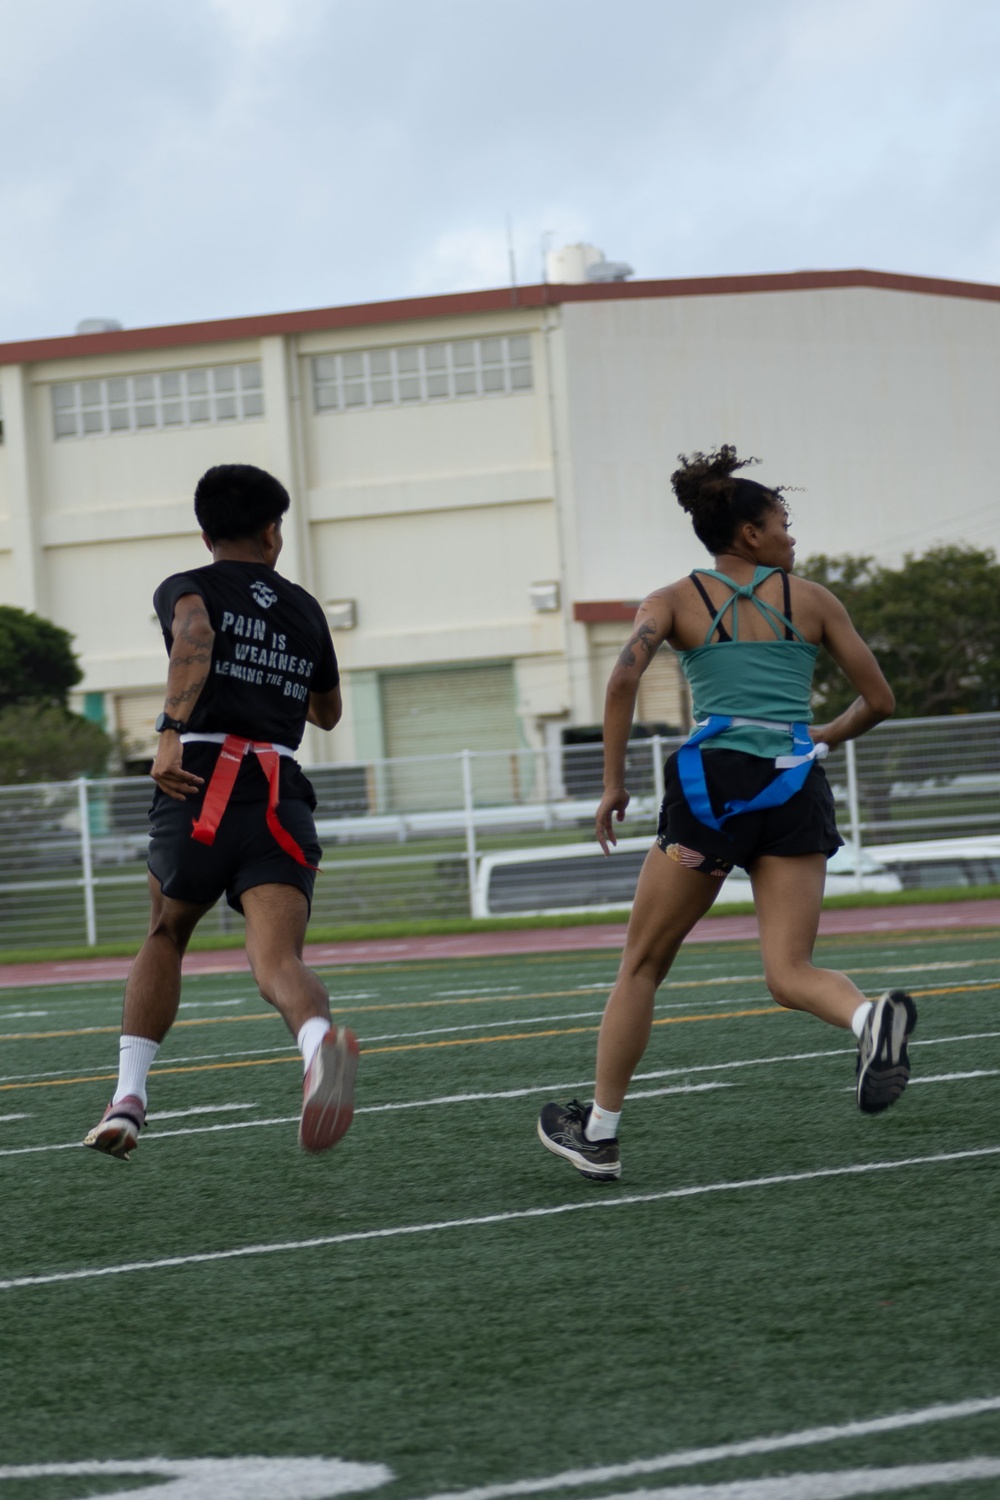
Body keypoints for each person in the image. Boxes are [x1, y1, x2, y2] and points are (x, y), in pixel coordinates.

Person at [538, 445, 917, 1181]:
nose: (791, 535)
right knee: (789, 969)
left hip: (714, 787)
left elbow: (621, 682)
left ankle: (602, 1134)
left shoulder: (672, 601)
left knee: (643, 963)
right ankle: (869, 1021)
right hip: (792, 784)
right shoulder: (811, 600)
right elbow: (880, 702)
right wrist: (822, 737)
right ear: (749, 533)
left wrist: (613, 782)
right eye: (782, 521)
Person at [84, 463, 358, 1162]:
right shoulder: (304, 607)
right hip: (277, 789)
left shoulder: (190, 586)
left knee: (166, 933)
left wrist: (170, 727)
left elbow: (194, 633)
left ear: (206, 533)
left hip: (199, 780)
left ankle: (128, 1098)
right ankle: (316, 1043)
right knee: (276, 958)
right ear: (273, 532)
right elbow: (327, 713)